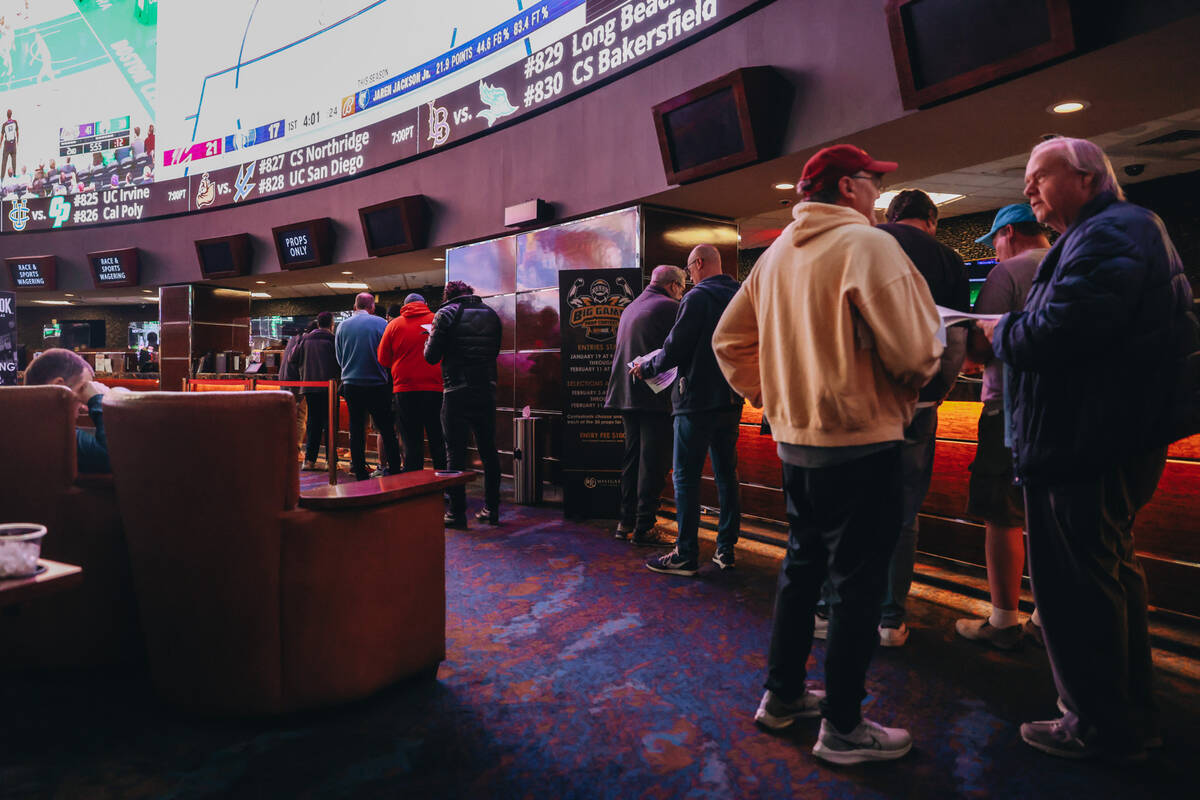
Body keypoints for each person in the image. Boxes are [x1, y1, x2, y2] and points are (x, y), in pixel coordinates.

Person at [713, 144, 941, 765]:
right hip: (862, 443)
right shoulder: (869, 246)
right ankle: (843, 727)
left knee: (801, 570)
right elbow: (919, 353)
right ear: (847, 188)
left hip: (797, 446)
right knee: (858, 588)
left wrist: (772, 396)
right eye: (872, 181)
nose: (877, 193)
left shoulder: (776, 254)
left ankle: (781, 698)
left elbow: (728, 341)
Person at [978, 137, 1192, 761]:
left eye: (1037, 178)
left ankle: (1097, 725)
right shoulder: (1115, 232)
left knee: (1079, 589)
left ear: (1086, 176)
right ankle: (1126, 715)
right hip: (1102, 433)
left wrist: (1000, 331)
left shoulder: (1111, 233)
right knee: (1106, 574)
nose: (1027, 193)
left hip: (1087, 439)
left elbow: (1062, 330)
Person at [863, 189, 970, 647]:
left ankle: (837, 609)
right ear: (931, 218)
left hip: (861, 403)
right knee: (903, 513)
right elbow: (957, 340)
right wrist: (934, 395)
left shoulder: (862, 244)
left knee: (853, 508)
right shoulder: (949, 260)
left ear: (891, 215)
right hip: (919, 405)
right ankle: (890, 619)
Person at [955, 203, 1050, 650]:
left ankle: (1003, 620)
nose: (994, 249)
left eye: (994, 240)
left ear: (1009, 233)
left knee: (1003, 515)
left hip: (1009, 411)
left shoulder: (1007, 273)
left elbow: (979, 344)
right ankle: (1046, 617)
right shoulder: (1071, 260)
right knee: (1051, 517)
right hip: (1063, 412)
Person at [634, 246, 742, 575]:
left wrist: (646, 366)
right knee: (727, 475)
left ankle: (686, 553)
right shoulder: (742, 295)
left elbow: (675, 348)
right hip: (731, 399)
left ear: (698, 264)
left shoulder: (696, 298)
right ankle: (725, 550)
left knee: (686, 478)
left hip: (695, 401)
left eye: (690, 270)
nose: (689, 276)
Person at [604, 265, 685, 545]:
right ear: (673, 285)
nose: (681, 293)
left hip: (627, 394)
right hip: (654, 395)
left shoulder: (631, 307)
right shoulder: (670, 307)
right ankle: (645, 527)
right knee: (653, 461)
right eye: (682, 288)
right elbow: (681, 346)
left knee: (633, 458)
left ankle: (625, 521)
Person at [424, 280, 502, 527]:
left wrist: (429, 337)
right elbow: (495, 350)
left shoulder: (446, 313)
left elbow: (431, 356)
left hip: (456, 389)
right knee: (489, 451)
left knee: (454, 453)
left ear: (448, 296)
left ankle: (456, 513)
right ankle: (492, 509)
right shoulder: (491, 314)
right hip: (486, 389)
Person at [335, 293, 401, 480]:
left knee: (356, 429)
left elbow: (339, 357)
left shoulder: (342, 326)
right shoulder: (382, 324)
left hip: (351, 384)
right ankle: (395, 468)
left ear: (355, 306)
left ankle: (359, 471)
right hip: (377, 384)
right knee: (386, 429)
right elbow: (389, 356)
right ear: (372, 307)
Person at [24, 348, 122, 473]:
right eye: (83, 388)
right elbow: (115, 460)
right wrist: (99, 400)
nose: (83, 404)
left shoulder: (19, 424)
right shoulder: (56, 432)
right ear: (59, 386)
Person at [379, 292, 446, 473]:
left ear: (404, 305)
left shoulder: (394, 325)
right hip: (435, 387)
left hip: (405, 389)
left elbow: (382, 358)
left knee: (411, 440)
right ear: (424, 303)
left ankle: (413, 486)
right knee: (437, 438)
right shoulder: (437, 320)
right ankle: (445, 485)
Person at [291, 312, 340, 470]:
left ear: (318, 323)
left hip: (309, 387)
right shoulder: (333, 339)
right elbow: (341, 361)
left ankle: (309, 461)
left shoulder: (305, 339)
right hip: (330, 387)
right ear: (331, 324)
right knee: (330, 423)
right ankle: (330, 462)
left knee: (313, 422)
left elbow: (293, 358)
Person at [279, 320, 314, 459]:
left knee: (287, 415)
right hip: (296, 383)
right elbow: (296, 361)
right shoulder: (306, 341)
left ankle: (285, 448)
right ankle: (296, 450)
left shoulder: (294, 339)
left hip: (285, 381)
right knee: (300, 416)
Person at [1, 109, 17, 181]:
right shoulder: (15, 122)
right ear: (11, 114)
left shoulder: (4, 125)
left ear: (6, 115)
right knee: (14, 161)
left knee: (4, 162)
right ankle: (14, 175)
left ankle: (2, 178)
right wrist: (17, 141)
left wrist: (0, 144)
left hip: (7, 145)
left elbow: (2, 136)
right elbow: (17, 132)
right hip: (13, 144)